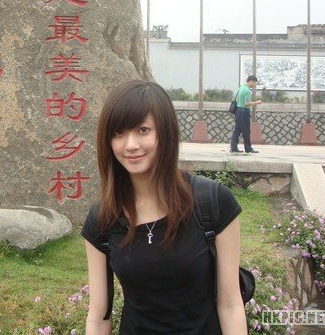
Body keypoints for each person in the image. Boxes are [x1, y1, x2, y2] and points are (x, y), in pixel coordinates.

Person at [82, 79, 247, 334]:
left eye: (143, 130)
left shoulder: (213, 202)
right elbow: (98, 317)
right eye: (118, 132)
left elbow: (231, 304)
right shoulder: (102, 218)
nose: (130, 144)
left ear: (166, 132)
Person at [229, 75, 262, 154]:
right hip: (244, 111)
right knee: (246, 130)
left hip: (238, 110)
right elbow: (247, 103)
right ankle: (248, 148)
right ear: (251, 81)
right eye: (254, 83)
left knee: (237, 129)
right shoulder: (247, 91)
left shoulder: (241, 88)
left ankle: (233, 147)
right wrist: (257, 102)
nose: (255, 85)